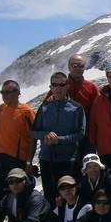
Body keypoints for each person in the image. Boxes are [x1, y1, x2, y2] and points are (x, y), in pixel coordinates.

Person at [31, 72, 86, 207]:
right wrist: (45, 135)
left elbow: (80, 134)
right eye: (55, 85)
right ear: (50, 87)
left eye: (62, 84)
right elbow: (33, 132)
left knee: (69, 198)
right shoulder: (44, 108)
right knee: (50, 196)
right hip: (46, 160)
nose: (58, 88)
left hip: (68, 160)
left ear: (67, 86)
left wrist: (59, 140)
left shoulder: (76, 108)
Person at [0, 80, 36, 202]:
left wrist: (29, 162)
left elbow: (33, 138)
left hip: (18, 160)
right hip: (1, 159)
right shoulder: (2, 108)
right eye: (2, 92)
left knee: (19, 196)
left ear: (17, 93)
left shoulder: (26, 112)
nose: (4, 95)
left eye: (7, 92)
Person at [44, 54, 98, 156]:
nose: (78, 68)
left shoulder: (91, 88)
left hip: (86, 138)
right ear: (69, 67)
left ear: (85, 67)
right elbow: (45, 108)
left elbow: (98, 112)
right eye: (74, 65)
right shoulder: (60, 85)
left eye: (81, 65)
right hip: (62, 138)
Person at [79, 154, 111, 218]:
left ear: (100, 167)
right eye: (89, 167)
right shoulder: (83, 183)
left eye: (95, 166)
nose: (93, 170)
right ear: (85, 170)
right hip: (93, 215)